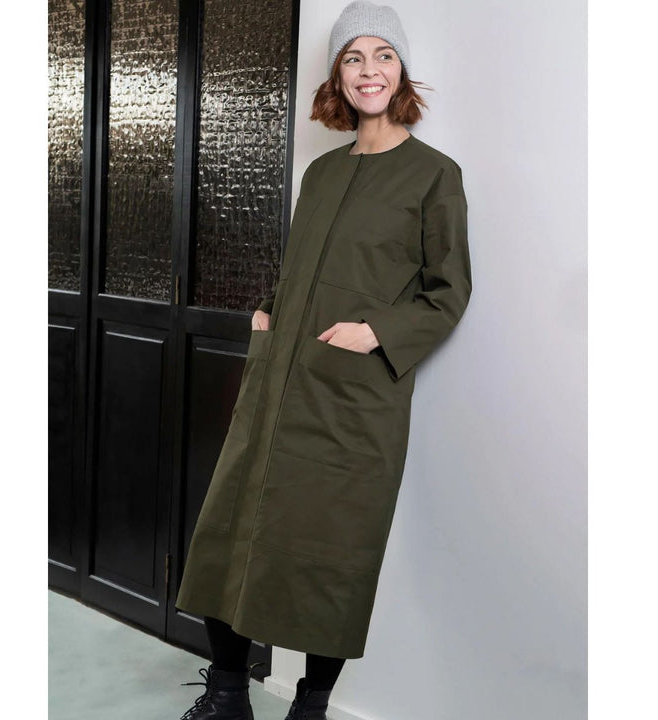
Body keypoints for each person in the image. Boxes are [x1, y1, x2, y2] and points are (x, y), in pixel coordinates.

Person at [174, 2, 472, 719]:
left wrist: (377, 334)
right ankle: (226, 697)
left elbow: (448, 291)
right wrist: (267, 312)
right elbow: (303, 269)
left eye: (383, 56)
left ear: (401, 71)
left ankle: (310, 707)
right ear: (338, 76)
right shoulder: (321, 172)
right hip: (276, 387)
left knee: (331, 554)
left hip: (353, 403)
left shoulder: (434, 175)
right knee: (229, 533)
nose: (369, 71)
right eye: (353, 57)